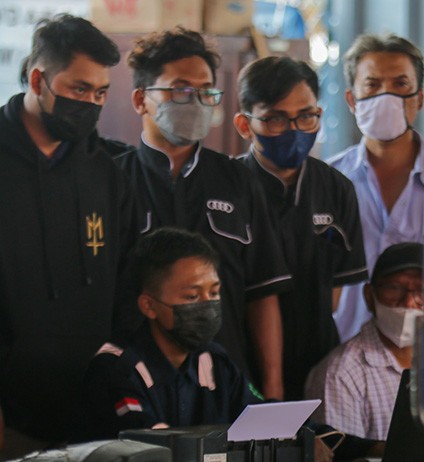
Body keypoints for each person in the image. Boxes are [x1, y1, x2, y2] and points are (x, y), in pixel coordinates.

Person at [82, 227, 382, 462]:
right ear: (149, 306)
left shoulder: (214, 361)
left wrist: (362, 446)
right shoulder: (116, 368)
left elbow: (266, 419)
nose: (208, 305)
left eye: (214, 293)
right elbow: (156, 448)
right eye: (191, 296)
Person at [115, 28, 291, 400]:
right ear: (140, 100)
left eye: (205, 91)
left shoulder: (239, 180)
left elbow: (263, 292)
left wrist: (272, 387)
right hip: (136, 381)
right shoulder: (113, 179)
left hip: (225, 381)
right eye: (179, 89)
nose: (194, 100)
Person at [0, 14, 138, 455]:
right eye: (79, 89)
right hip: (10, 414)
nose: (91, 104)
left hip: (91, 409)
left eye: (101, 92)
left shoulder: (106, 172)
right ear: (39, 79)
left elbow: (125, 281)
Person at [329, 33, 424, 342]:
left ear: (420, 99)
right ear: (351, 100)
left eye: (400, 85)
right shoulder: (328, 181)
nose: (386, 97)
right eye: (372, 85)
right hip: (342, 354)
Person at [234, 56, 368, 401]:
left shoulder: (337, 189)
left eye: (306, 116)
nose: (294, 130)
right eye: (276, 119)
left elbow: (336, 294)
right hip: (238, 367)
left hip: (317, 362)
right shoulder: (226, 188)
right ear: (244, 124)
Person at [305, 243, 424, 455]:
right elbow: (338, 455)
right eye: (394, 288)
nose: (409, 302)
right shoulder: (340, 373)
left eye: (422, 290)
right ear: (369, 296)